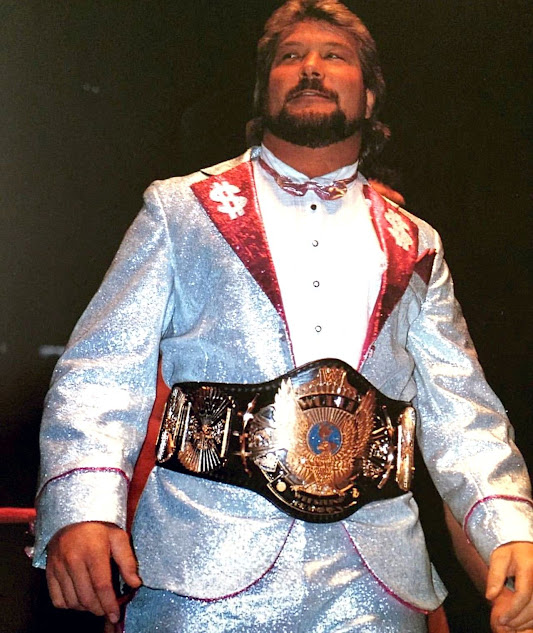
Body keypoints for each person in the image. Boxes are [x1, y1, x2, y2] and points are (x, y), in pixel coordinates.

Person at [33, 1, 533, 632]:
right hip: (199, 569)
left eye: (334, 56)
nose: (311, 67)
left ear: (369, 97)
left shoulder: (417, 241)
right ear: (263, 91)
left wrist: (511, 528)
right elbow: (102, 368)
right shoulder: (181, 208)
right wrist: (82, 505)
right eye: (291, 56)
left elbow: (460, 409)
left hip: (376, 582)